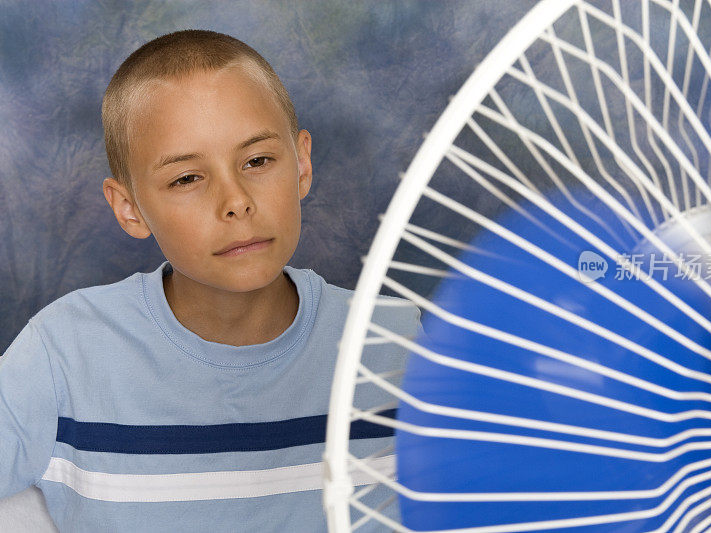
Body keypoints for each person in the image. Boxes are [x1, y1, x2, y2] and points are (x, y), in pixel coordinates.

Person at [0, 29, 419, 532]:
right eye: (186, 178)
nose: (236, 200)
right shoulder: (64, 352)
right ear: (130, 208)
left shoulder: (401, 345)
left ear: (302, 164)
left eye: (258, 161)